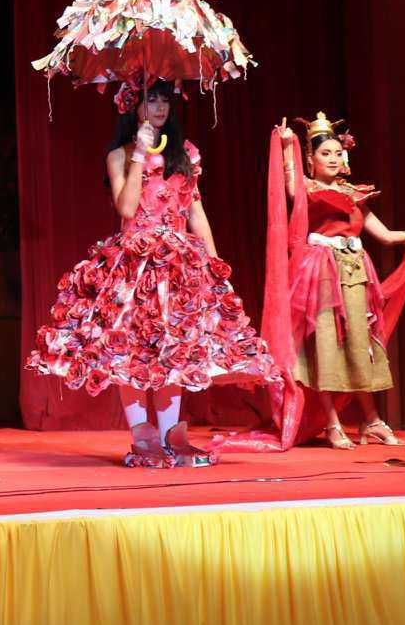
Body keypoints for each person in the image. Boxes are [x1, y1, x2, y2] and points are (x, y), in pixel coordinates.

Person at [25, 79, 279, 466]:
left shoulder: (185, 153)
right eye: (151, 100)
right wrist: (140, 155)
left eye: (164, 101)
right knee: (129, 350)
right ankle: (143, 439)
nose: (159, 108)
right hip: (134, 264)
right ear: (133, 107)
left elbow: (196, 213)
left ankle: (171, 437)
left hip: (178, 264)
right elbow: (127, 209)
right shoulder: (120, 155)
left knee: (175, 349)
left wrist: (214, 265)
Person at [279, 114, 405, 449]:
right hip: (322, 271)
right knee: (325, 344)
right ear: (310, 159)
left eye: (338, 153)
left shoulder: (354, 194)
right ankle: (332, 423)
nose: (333, 158)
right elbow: (292, 189)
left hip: (355, 271)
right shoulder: (309, 189)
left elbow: (386, 235)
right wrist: (285, 149)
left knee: (359, 343)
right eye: (325, 153)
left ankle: (371, 420)